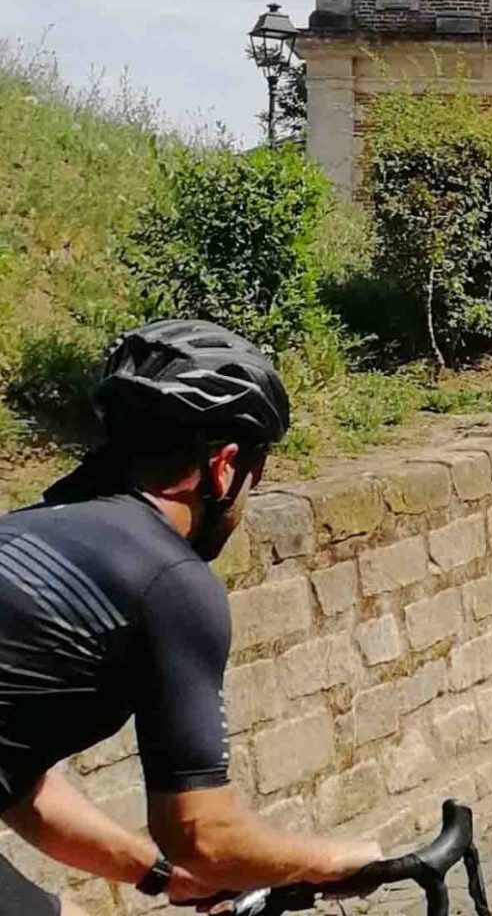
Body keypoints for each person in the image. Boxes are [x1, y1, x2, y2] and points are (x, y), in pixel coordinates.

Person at [0, 320, 381, 916]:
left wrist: (160, 876)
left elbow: (22, 786)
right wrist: (332, 859)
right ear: (224, 467)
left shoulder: (31, 530)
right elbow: (203, 834)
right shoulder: (167, 579)